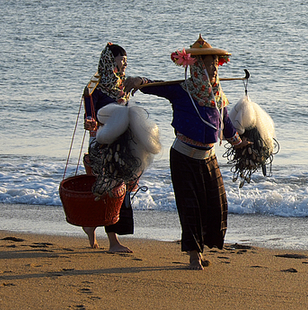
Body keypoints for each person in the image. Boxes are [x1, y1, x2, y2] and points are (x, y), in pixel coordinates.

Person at [126, 35, 247, 270]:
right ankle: (194, 256)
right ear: (197, 65)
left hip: (209, 158)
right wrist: (140, 80)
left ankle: (203, 247)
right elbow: (155, 86)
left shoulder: (217, 94)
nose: (214, 68)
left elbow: (225, 123)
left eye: (215, 63)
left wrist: (239, 143)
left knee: (216, 204)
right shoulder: (182, 90)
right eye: (209, 63)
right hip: (183, 158)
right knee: (190, 207)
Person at [81, 42, 135, 254]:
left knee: (108, 188)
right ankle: (113, 242)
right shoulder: (95, 85)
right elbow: (89, 111)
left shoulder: (123, 84)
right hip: (103, 143)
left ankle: (91, 226)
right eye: (121, 59)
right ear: (109, 60)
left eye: (125, 59)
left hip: (120, 143)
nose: (125, 63)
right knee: (109, 187)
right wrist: (90, 122)